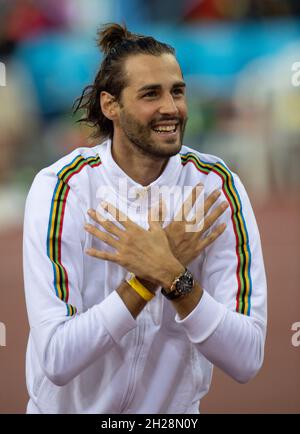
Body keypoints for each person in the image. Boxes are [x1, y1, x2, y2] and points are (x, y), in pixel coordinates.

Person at [23, 23, 267, 414]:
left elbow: (246, 357)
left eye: (177, 91)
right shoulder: (63, 188)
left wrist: (173, 277)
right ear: (110, 105)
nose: (171, 107)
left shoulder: (216, 189)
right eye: (151, 94)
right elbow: (56, 357)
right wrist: (147, 279)